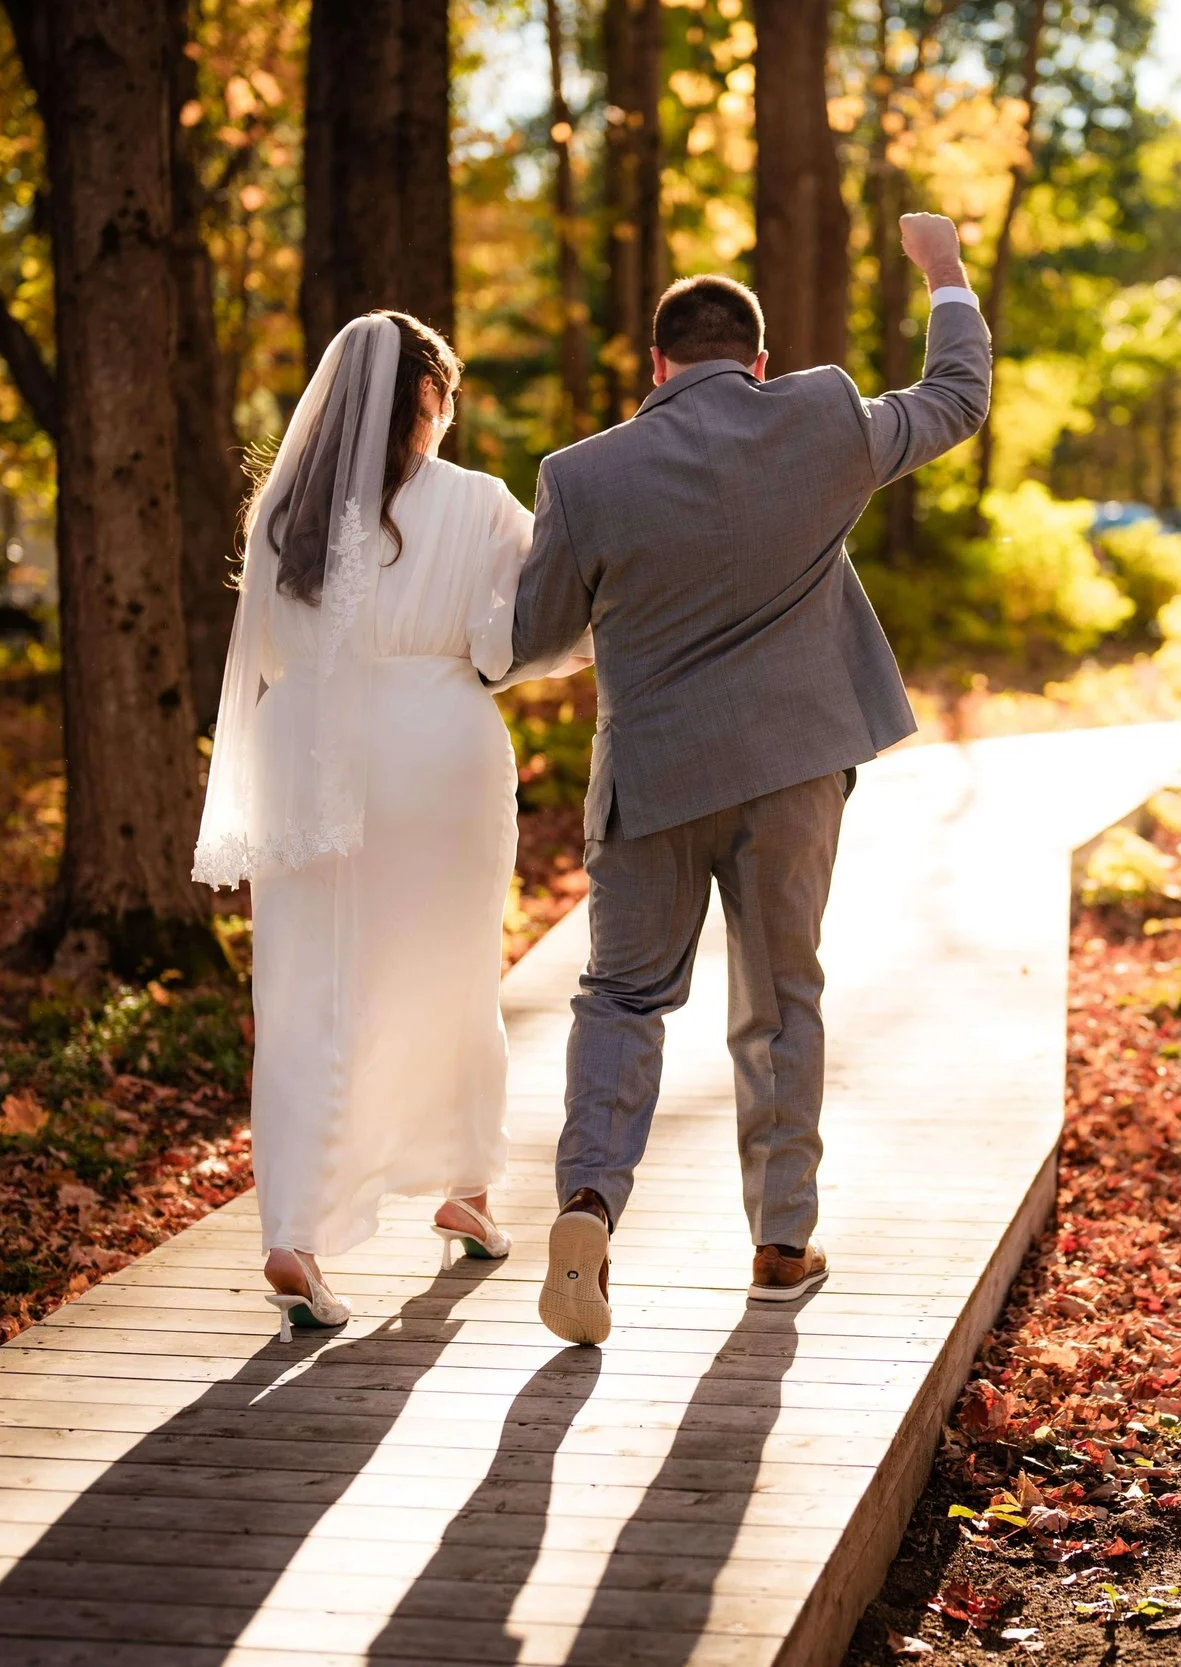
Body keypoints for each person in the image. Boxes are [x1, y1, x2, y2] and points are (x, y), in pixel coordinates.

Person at [494, 213, 992, 1345]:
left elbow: (529, 637)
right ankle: (779, 1240)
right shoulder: (821, 418)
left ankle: (586, 1207)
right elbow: (956, 398)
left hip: (652, 780)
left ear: (654, 366)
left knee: (620, 998)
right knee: (779, 998)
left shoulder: (583, 473)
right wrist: (943, 271)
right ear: (758, 361)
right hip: (791, 773)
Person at [193, 312, 586, 1340]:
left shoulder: (285, 511)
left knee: (303, 988)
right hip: (436, 750)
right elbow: (510, 643)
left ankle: (294, 1229)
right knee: (449, 973)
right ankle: (464, 1184)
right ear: (432, 399)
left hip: (303, 745)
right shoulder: (480, 504)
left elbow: (270, 649)